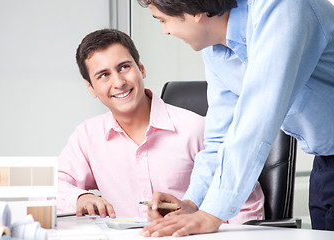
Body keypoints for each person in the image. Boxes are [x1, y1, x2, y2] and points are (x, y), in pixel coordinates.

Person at [136, 0, 334, 237]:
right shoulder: (216, 50)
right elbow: (220, 138)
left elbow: (257, 118)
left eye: (163, 20)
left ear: (194, 11)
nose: (165, 31)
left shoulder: (282, 7)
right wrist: (193, 203)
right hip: (325, 162)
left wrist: (212, 214)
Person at [57, 29, 265, 221]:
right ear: (91, 88)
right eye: (104, 75)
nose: (119, 82)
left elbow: (247, 206)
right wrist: (79, 198)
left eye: (124, 67)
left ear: (141, 69)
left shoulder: (197, 130)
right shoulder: (87, 137)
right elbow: (52, 187)